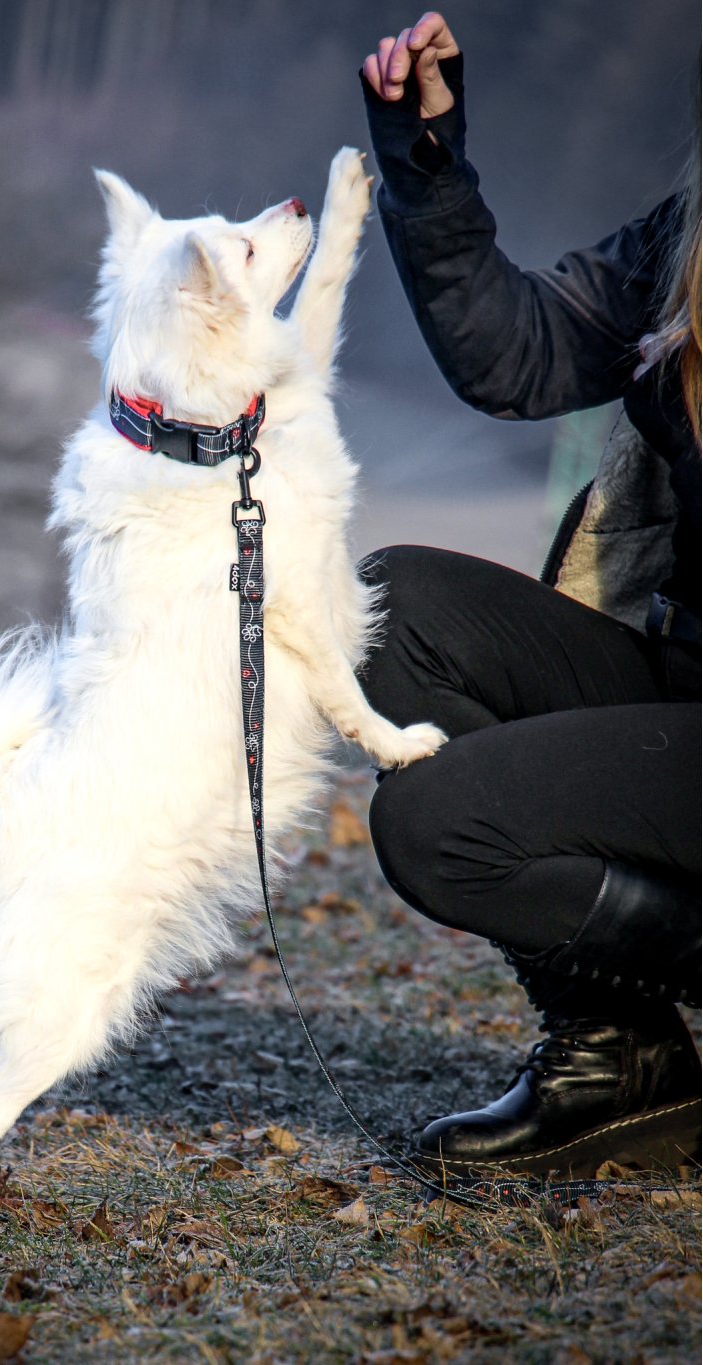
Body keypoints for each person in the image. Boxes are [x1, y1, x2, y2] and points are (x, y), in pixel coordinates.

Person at [356, 12, 701, 1179]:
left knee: (435, 826)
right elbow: (515, 352)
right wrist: (426, 155)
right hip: (683, 686)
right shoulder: (688, 239)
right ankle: (623, 1056)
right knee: (390, 611)